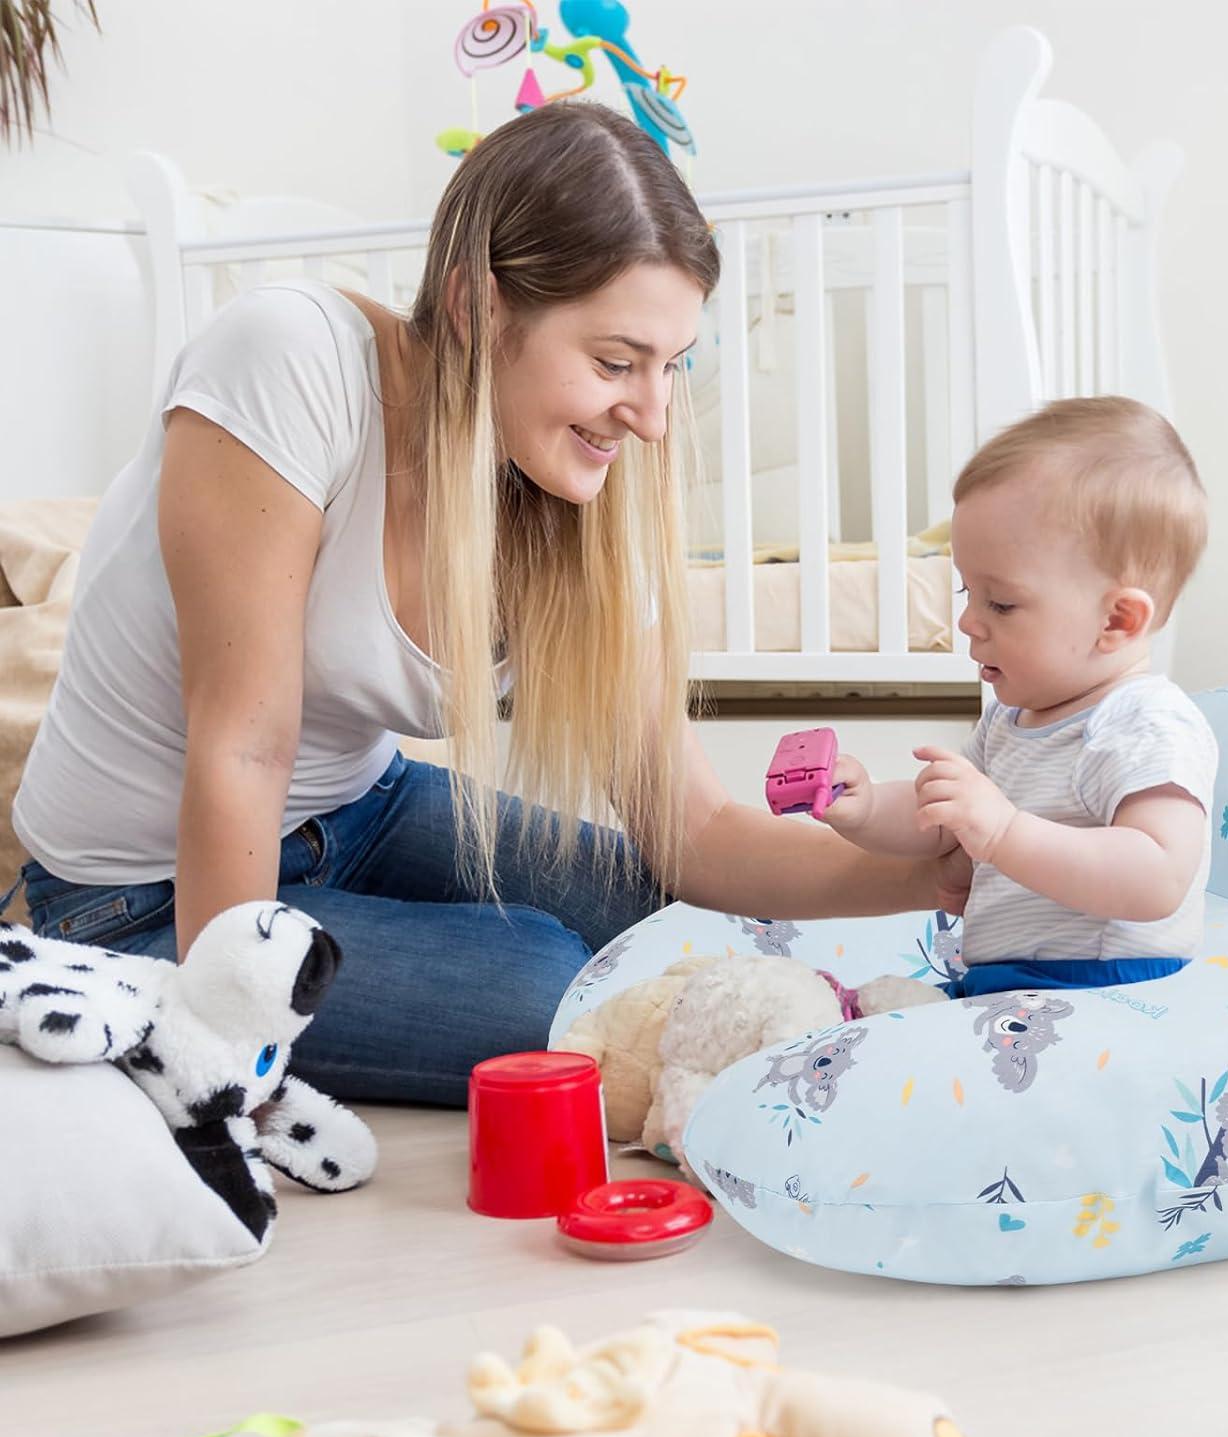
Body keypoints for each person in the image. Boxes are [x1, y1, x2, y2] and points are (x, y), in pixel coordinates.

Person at [11, 103, 962, 1105]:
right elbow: (244, 749)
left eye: (671, 365)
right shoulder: (289, 359)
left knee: (664, 920)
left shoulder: (572, 494)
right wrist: (219, 1046)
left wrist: (931, 877)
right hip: (138, 892)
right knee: (545, 986)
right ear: (477, 307)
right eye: (616, 362)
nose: (652, 416)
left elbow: (697, 832)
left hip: (357, 813)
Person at [818, 396, 1218, 999]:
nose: (967, 622)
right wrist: (868, 805)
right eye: (967, 592)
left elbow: (1157, 877)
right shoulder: (1010, 721)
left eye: (1000, 603)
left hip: (1106, 990)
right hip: (1006, 988)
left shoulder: (1145, 722)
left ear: (1116, 620)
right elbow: (942, 821)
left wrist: (1005, 833)